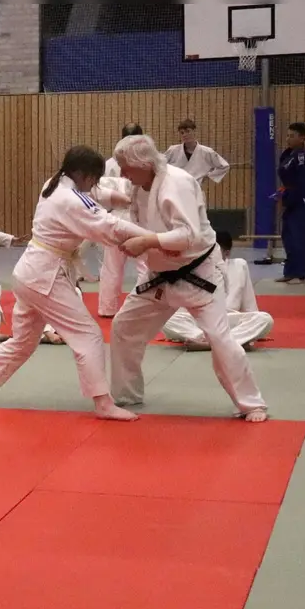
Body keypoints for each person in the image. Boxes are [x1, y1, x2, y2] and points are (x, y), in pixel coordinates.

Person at [0, 146, 162, 421]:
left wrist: (123, 199)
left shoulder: (54, 185)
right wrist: (155, 239)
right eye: (93, 178)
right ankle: (102, 402)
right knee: (87, 335)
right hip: (45, 277)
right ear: (81, 174)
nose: (95, 185)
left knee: (23, 342)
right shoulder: (69, 200)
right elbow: (109, 227)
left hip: (30, 274)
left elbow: (95, 195)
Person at [107, 135, 269, 422]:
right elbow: (140, 225)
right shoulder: (139, 187)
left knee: (220, 338)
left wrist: (145, 242)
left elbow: (186, 236)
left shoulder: (176, 183)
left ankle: (251, 404)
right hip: (160, 278)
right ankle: (126, 394)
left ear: (142, 163)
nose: (122, 173)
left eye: (125, 166)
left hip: (198, 276)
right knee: (124, 326)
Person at [159, 230, 274, 350]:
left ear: (227, 253)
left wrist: (251, 323)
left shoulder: (240, 266)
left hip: (228, 320)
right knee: (166, 318)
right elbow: (181, 311)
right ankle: (228, 342)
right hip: (199, 322)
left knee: (264, 319)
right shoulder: (193, 266)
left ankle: (209, 343)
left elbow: (250, 308)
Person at [95, 122, 147, 317]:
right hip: (138, 217)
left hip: (115, 217)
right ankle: (145, 306)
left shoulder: (110, 163)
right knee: (145, 264)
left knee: (111, 266)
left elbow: (100, 193)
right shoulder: (147, 162)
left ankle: (107, 308)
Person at [276, 122, 305, 285]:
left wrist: (292, 196)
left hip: (302, 200)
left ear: (302, 138)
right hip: (290, 198)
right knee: (288, 236)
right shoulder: (289, 154)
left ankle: (300, 273)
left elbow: (302, 182)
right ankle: (289, 271)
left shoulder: (304, 158)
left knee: (300, 237)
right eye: (287, 135)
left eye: (292, 136)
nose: (288, 139)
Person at [164, 118, 231, 187]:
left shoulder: (207, 152)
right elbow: (159, 165)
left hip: (195, 188)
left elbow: (224, 166)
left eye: (188, 131)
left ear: (194, 131)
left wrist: (207, 176)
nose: (185, 135)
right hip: (175, 187)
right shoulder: (173, 150)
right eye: (182, 133)